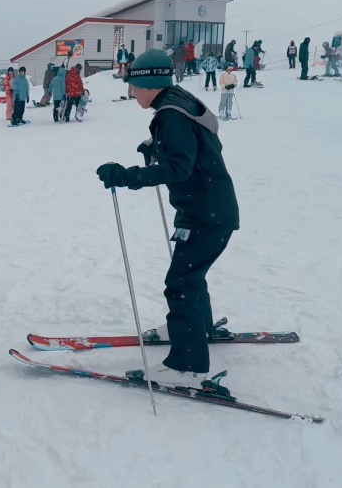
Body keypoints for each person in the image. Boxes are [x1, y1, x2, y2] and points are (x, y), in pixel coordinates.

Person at [94, 49, 239, 386]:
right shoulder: (179, 101)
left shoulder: (171, 114)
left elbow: (178, 168)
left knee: (181, 283)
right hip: (210, 208)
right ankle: (196, 328)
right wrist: (155, 148)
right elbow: (196, 147)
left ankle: (187, 365)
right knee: (191, 275)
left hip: (205, 214)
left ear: (150, 84)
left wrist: (127, 176)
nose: (132, 93)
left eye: (133, 87)